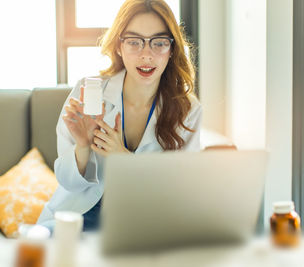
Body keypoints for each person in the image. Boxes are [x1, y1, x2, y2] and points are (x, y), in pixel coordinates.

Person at [37, 0, 202, 231]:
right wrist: (82, 147)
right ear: (118, 46)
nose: (146, 55)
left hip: (140, 223)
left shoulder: (188, 109)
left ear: (172, 48)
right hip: (78, 216)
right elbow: (67, 183)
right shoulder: (89, 91)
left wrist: (124, 159)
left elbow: (181, 193)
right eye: (134, 42)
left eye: (159, 42)